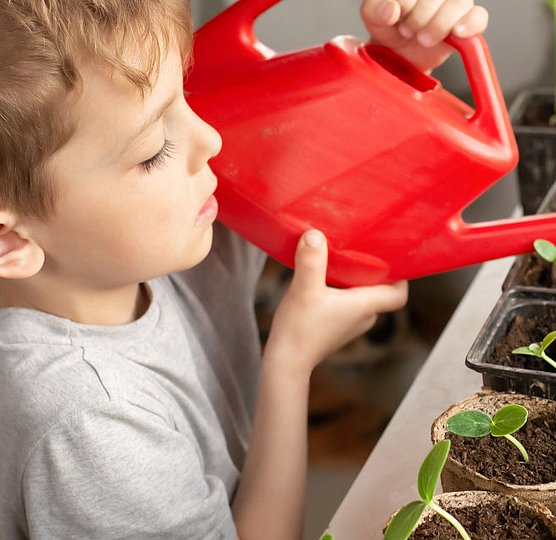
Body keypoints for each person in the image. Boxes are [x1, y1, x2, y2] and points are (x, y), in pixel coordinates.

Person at [0, 0, 488, 538]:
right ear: (10, 238)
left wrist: (396, 66)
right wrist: (291, 364)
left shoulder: (146, 240)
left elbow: (298, 163)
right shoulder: (91, 428)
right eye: (153, 150)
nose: (208, 137)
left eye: (183, 95)